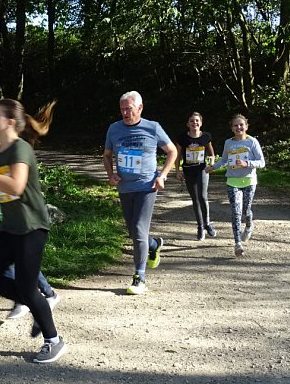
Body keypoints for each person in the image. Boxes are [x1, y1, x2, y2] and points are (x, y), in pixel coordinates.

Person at [0, 100, 67, 364]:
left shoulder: (21, 148)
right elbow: (2, 187)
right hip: (10, 227)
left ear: (9, 122)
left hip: (31, 227)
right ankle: (39, 307)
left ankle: (54, 340)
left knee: (27, 289)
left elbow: (17, 186)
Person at [102, 91, 179, 295]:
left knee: (138, 229)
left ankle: (140, 277)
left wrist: (162, 175)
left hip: (147, 186)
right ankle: (154, 244)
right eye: (122, 109)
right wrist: (110, 175)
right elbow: (107, 155)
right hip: (125, 187)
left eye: (129, 109)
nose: (125, 113)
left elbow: (172, 151)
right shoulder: (114, 129)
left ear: (140, 108)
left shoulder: (152, 127)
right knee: (133, 232)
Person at [0, 137, 61, 320]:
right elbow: (0, 198)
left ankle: (28, 299)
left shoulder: (14, 172)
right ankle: (46, 295)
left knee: (16, 265)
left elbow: (16, 193)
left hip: (25, 226)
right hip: (8, 225)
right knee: (23, 265)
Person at [206, 114, 266, 258]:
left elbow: (261, 162)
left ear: (246, 126)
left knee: (246, 210)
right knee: (236, 212)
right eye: (235, 125)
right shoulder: (228, 143)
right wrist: (213, 167)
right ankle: (237, 243)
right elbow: (224, 160)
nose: (239, 127)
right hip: (232, 181)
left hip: (249, 181)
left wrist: (247, 163)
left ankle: (249, 225)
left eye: (241, 125)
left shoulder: (252, 142)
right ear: (232, 128)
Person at [176, 112, 217, 241]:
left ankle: (207, 223)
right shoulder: (182, 138)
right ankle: (200, 227)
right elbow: (177, 155)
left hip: (202, 170)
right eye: (192, 121)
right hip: (188, 171)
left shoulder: (205, 137)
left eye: (197, 121)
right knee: (195, 199)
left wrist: (211, 163)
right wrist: (177, 171)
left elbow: (211, 154)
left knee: (202, 196)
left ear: (201, 123)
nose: (195, 123)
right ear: (188, 124)